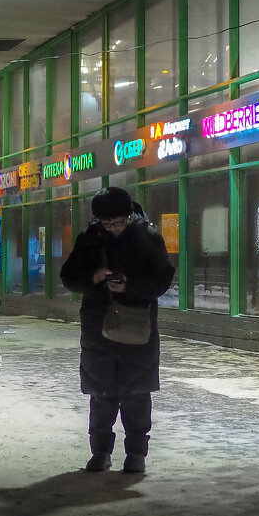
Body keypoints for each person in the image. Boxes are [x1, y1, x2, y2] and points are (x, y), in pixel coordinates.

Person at [59, 186, 176, 474]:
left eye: (118, 222)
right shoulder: (89, 238)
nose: (112, 228)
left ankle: (136, 454)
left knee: (137, 393)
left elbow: (163, 279)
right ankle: (100, 452)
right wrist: (93, 278)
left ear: (128, 216)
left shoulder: (147, 236)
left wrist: (129, 287)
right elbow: (68, 276)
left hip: (137, 324)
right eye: (106, 223)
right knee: (101, 393)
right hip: (98, 328)